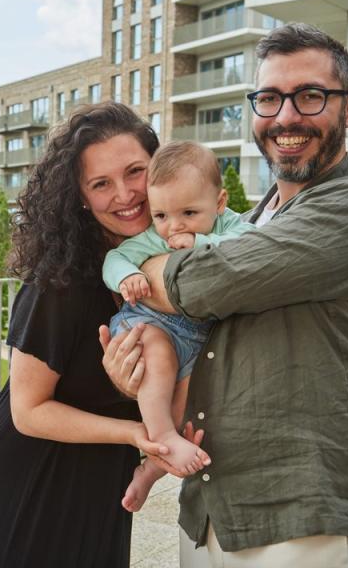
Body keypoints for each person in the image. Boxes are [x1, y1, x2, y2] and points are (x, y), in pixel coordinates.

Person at [102, 23, 348, 567]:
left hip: (306, 517)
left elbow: (202, 283)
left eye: (310, 96)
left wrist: (142, 264)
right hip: (213, 507)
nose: (286, 116)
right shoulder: (253, 218)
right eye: (269, 98)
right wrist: (138, 370)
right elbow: (202, 330)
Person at [0, 102, 185, 567]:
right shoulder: (60, 280)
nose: (125, 194)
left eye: (135, 172)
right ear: (80, 196)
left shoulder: (172, 263)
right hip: (31, 482)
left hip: (101, 483)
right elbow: (28, 410)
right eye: (101, 183)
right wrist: (136, 433)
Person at [102, 142, 253, 511]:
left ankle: (152, 468)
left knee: (187, 399)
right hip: (150, 324)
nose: (173, 227)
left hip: (195, 337)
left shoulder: (231, 224)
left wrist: (200, 242)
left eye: (188, 212)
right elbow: (116, 257)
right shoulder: (157, 235)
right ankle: (162, 434)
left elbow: (248, 246)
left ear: (219, 203)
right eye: (161, 215)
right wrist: (129, 276)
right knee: (157, 354)